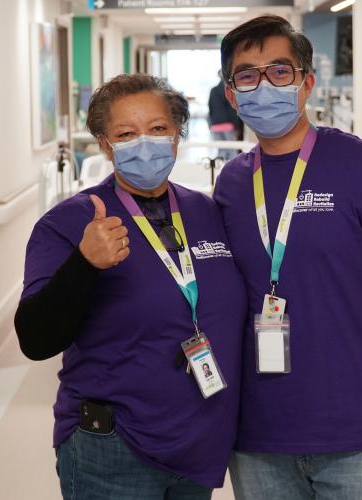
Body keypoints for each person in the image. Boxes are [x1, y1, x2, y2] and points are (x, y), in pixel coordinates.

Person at [213, 15, 362, 500]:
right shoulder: (232, 185)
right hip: (259, 429)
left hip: (356, 428)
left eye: (279, 72)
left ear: (306, 84)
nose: (264, 86)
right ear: (233, 95)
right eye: (247, 76)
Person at [14, 74, 247, 500]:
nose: (145, 142)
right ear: (105, 144)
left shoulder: (205, 211)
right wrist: (83, 264)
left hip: (199, 443)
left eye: (158, 129)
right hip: (115, 448)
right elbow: (35, 338)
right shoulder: (69, 223)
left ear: (178, 134)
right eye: (126, 133)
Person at [208, 71, 243, 160]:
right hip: (228, 125)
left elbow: (210, 108)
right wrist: (237, 126)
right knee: (232, 151)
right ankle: (233, 172)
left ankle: (222, 171)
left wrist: (210, 124)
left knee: (221, 151)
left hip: (215, 125)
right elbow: (232, 110)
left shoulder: (213, 90)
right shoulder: (229, 90)